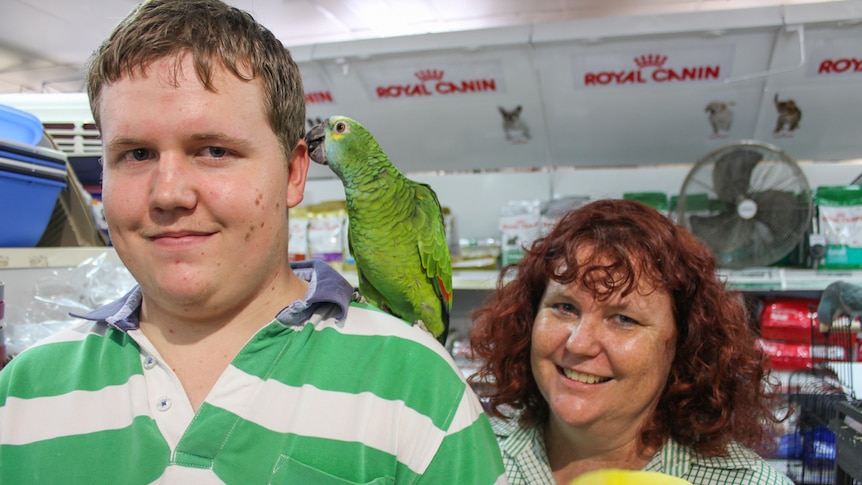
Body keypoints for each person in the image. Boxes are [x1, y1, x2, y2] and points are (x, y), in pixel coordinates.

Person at [0, 1, 505, 483]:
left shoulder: (422, 392)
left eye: (214, 150)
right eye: (135, 154)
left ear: (292, 173)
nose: (169, 193)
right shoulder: (20, 396)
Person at [468, 198, 793, 485]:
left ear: (683, 345)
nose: (579, 344)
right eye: (565, 307)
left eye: (623, 319)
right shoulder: (463, 456)